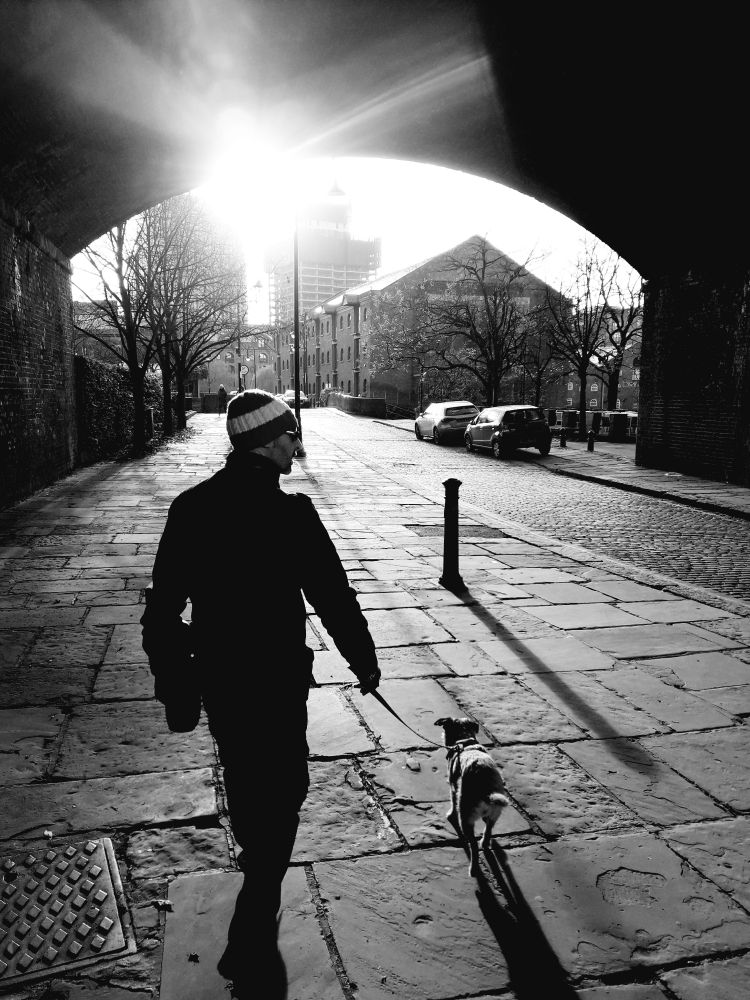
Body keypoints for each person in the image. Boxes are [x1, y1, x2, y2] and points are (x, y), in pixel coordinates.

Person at [140, 389, 380, 998]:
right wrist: (363, 659)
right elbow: (334, 595)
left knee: (245, 773)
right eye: (291, 437)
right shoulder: (292, 515)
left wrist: (176, 685)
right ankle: (264, 880)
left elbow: (161, 612)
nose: (297, 448)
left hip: (222, 679)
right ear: (270, 442)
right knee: (288, 779)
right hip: (277, 679)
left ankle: (259, 859)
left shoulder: (190, 509)